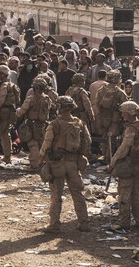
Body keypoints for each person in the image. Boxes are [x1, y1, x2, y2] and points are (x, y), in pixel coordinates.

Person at [38, 96, 92, 233]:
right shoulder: (80, 123)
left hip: (57, 163)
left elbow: (47, 143)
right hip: (73, 163)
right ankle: (84, 222)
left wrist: (40, 160)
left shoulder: (54, 124)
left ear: (59, 108)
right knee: (77, 193)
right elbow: (88, 141)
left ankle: (54, 225)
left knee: (56, 194)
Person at [110, 101, 139, 230]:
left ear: (128, 113)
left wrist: (113, 162)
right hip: (138, 165)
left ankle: (124, 222)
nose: (122, 115)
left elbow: (124, 149)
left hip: (129, 166)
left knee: (124, 194)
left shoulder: (131, 129)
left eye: (124, 113)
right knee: (136, 194)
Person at [0, 65, 20, 164]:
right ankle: (7, 157)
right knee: (5, 135)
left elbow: (1, 98)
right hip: (8, 113)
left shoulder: (4, 86)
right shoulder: (12, 85)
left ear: (4, 74)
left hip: (1, 112)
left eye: (0, 73)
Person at [16, 77, 51, 169]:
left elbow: (21, 111)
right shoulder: (47, 99)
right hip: (43, 125)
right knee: (43, 145)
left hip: (32, 125)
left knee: (33, 145)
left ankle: (35, 164)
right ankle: (44, 163)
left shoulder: (30, 99)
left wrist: (17, 115)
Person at [95, 70, 128, 159]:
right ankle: (110, 157)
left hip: (103, 117)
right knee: (113, 138)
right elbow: (126, 105)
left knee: (105, 136)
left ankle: (104, 155)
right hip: (115, 118)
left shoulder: (101, 90)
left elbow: (96, 103)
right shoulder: (119, 91)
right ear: (118, 79)